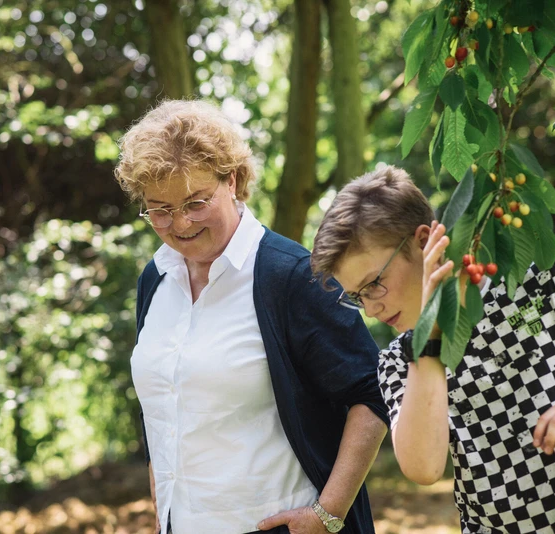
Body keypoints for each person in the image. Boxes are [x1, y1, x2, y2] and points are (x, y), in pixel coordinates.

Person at [309, 165, 555, 534]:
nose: (372, 308)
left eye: (374, 283)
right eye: (357, 297)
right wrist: (433, 332)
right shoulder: (399, 361)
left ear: (425, 241)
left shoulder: (545, 279)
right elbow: (423, 467)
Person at [114, 99, 389, 534]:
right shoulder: (156, 278)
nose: (180, 223)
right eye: (160, 209)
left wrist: (328, 513)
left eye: (195, 202)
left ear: (234, 180)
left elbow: (373, 393)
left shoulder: (292, 275)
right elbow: (165, 408)